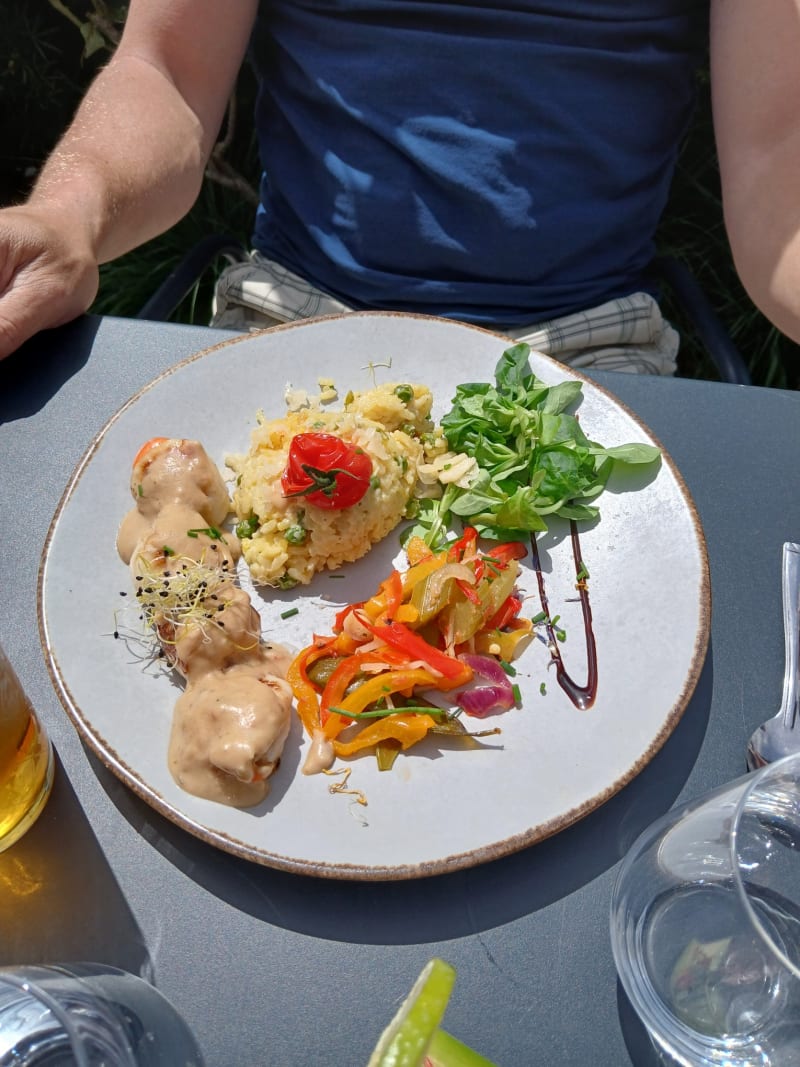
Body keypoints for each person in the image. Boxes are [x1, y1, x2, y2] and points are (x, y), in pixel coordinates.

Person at [0, 1, 798, 372]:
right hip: (298, 319)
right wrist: (69, 213)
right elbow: (167, 72)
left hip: (587, 347)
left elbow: (778, 153)